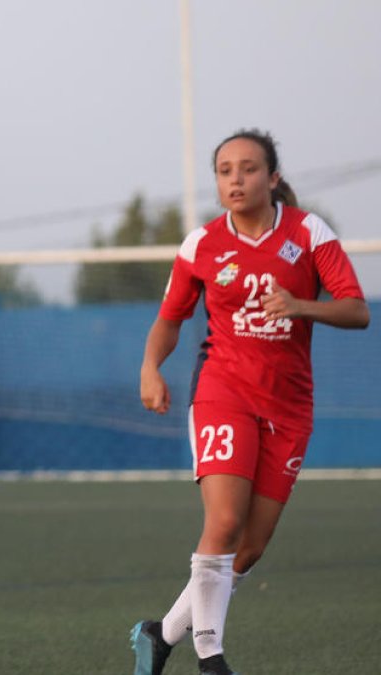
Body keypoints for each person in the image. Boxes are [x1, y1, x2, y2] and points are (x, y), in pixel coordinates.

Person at [130, 129, 369, 675]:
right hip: (223, 391)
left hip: (288, 404)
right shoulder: (201, 245)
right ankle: (211, 657)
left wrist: (300, 306)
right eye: (225, 171)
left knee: (250, 548)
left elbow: (357, 310)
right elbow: (170, 320)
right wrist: (150, 368)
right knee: (226, 520)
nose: (236, 179)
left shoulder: (309, 233)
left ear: (273, 178)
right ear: (217, 183)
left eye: (249, 168)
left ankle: (161, 635)